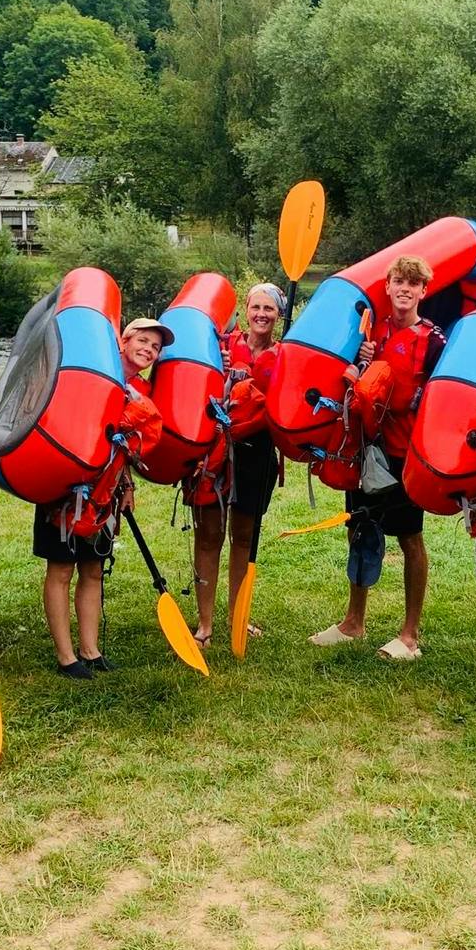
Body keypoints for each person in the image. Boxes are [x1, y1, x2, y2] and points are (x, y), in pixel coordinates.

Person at [309, 256, 447, 661]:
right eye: (398, 281)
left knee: (409, 539)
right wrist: (362, 359)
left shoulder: (433, 339)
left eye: (414, 283)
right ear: (387, 287)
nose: (405, 289)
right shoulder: (372, 332)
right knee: (359, 529)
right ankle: (354, 621)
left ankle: (409, 635)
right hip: (365, 449)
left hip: (405, 455)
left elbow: (441, 396)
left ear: (424, 291)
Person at [34, 318, 172, 680]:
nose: (148, 349)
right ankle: (66, 657)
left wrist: (127, 485)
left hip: (104, 494)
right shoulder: (91, 370)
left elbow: (124, 447)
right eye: (142, 340)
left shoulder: (139, 390)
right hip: (64, 487)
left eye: (155, 347)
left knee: (93, 570)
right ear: (124, 340)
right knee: (61, 569)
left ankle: (90, 650)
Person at [191, 283, 284, 647]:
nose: (262, 314)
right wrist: (219, 364)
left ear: (278, 315)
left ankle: (237, 617)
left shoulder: (286, 354)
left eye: (270, 309)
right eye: (256, 306)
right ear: (246, 309)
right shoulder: (224, 344)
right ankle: (205, 623)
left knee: (243, 537)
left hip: (256, 452)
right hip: (215, 447)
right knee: (209, 534)